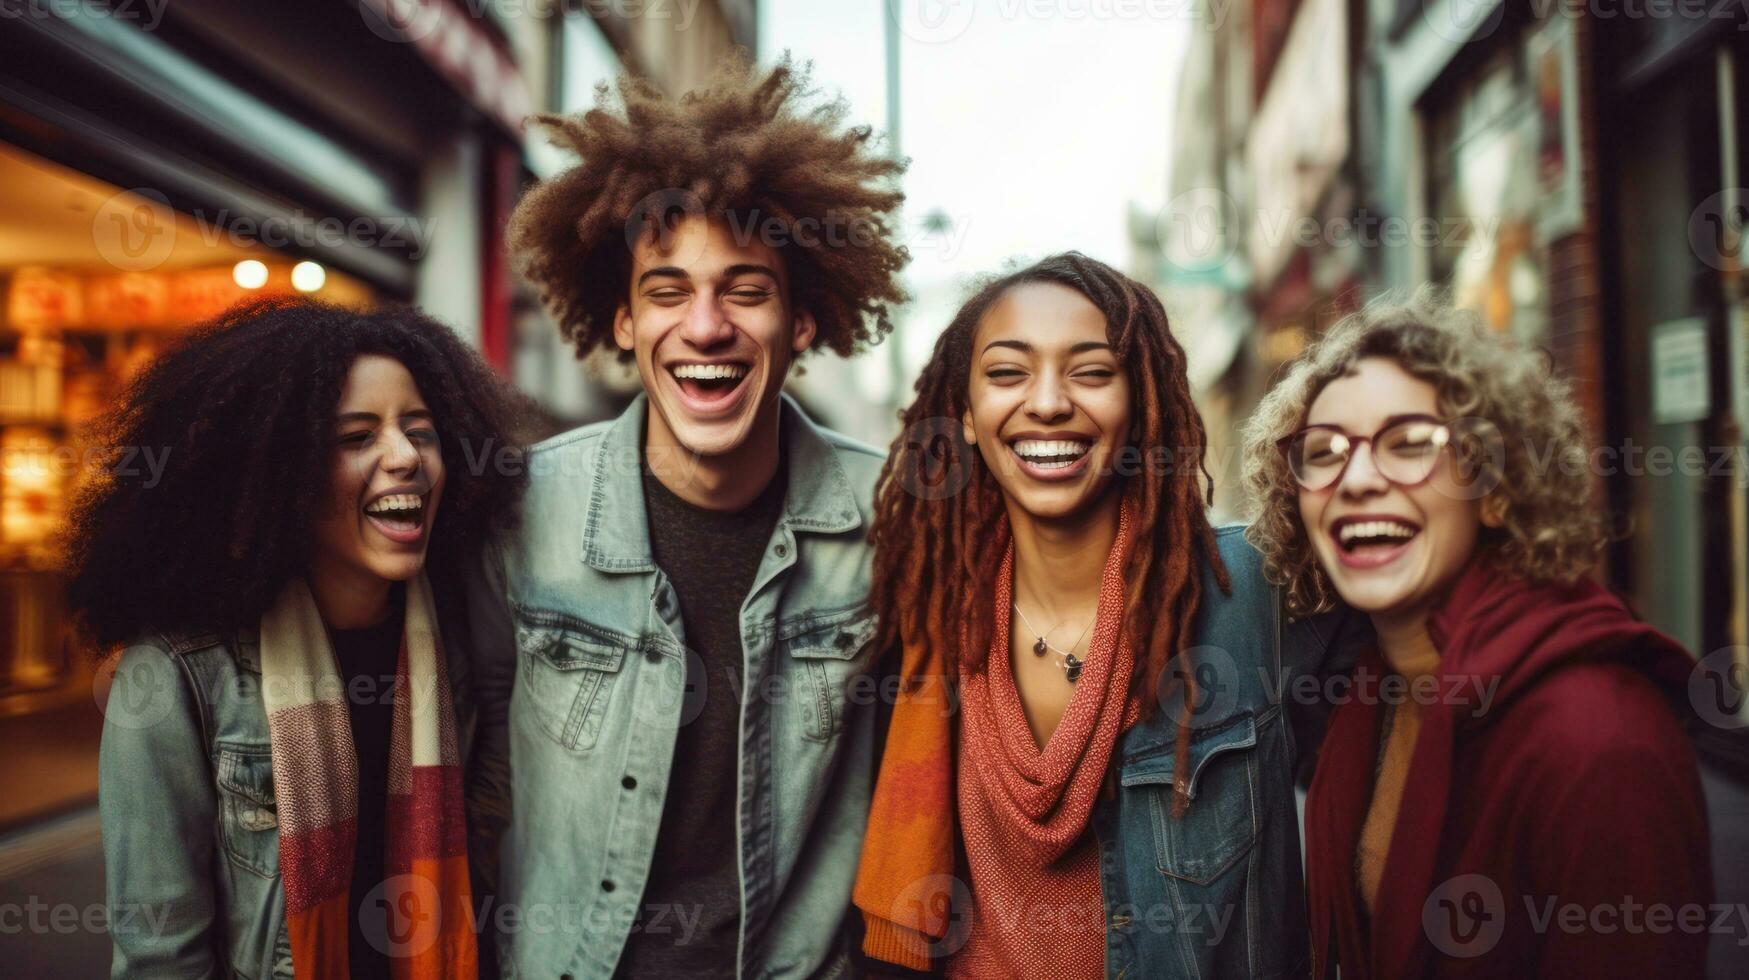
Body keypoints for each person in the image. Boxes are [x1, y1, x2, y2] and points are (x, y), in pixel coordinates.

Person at [466, 56, 909, 977]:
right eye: (667, 291)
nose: (704, 326)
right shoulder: (519, 512)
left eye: (745, 289)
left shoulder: (894, 517)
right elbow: (468, 774)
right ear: (622, 320)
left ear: (804, 322)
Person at [854, 252, 1362, 978]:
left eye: (1090, 371)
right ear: (965, 416)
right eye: (1007, 373)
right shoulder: (925, 612)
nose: (1049, 402)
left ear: (1140, 403)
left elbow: (1398, 772)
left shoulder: (1253, 595)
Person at [1240, 290, 1712, 978]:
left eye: (1408, 445)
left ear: (1492, 487)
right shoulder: (1366, 698)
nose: (1358, 478)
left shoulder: (1597, 739)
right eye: (1323, 452)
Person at [75, 298, 531, 978]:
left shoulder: (462, 642)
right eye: (355, 438)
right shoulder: (175, 675)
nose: (404, 456)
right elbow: (162, 956)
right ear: (275, 477)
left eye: (421, 430)